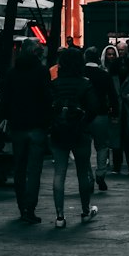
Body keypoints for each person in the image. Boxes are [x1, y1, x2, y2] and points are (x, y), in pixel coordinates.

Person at [0, 49, 52, 224]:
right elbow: (46, 98)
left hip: (18, 126)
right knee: (34, 169)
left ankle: (22, 206)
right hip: (37, 125)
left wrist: (3, 118)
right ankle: (30, 207)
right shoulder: (42, 72)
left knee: (19, 168)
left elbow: (5, 99)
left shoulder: (13, 73)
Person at [49, 47, 99, 227]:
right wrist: (84, 122)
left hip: (59, 132)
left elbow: (48, 107)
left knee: (59, 173)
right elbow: (94, 108)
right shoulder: (85, 83)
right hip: (79, 133)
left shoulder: (55, 84)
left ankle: (60, 216)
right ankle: (86, 211)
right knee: (82, 172)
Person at [84, 45, 119, 192]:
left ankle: (88, 177)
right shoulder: (104, 75)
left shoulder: (80, 73)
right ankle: (100, 173)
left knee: (84, 149)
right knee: (102, 146)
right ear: (99, 58)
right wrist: (115, 113)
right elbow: (112, 95)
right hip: (101, 114)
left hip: (83, 116)